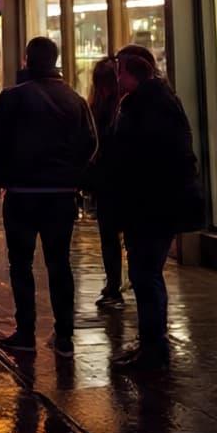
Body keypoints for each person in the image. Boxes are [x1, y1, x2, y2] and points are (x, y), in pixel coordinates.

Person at [0, 36, 97, 358]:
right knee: (59, 263)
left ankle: (26, 331)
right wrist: (72, 176)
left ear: (27, 60)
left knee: (20, 263)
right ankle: (64, 336)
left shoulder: (13, 97)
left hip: (22, 194)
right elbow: (90, 143)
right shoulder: (74, 99)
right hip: (60, 195)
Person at [98, 46, 203, 372]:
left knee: (146, 276)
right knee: (145, 276)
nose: (117, 78)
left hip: (151, 206)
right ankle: (149, 343)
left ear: (133, 72)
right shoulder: (150, 102)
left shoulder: (150, 105)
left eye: (121, 72)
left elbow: (144, 159)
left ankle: (154, 349)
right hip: (148, 205)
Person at [85, 58, 126, 311]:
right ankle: (114, 284)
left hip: (115, 181)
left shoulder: (120, 107)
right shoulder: (102, 107)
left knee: (111, 236)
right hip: (109, 182)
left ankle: (115, 285)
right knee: (110, 236)